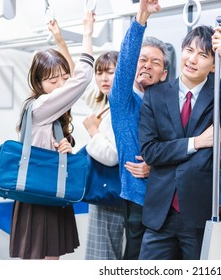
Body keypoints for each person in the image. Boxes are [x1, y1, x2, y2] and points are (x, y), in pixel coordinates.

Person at [138, 25, 221, 260]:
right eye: (189, 50)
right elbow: (150, 152)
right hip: (161, 215)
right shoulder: (155, 95)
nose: (192, 59)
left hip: (200, 213)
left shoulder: (218, 96)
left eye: (203, 55)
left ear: (213, 65)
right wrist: (196, 142)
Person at [9, 11, 95, 260]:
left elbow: (72, 79)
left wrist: (66, 144)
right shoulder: (41, 105)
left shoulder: (47, 107)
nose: (60, 86)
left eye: (63, 79)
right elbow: (81, 78)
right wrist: (87, 33)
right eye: (52, 81)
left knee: (49, 261)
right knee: (45, 262)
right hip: (41, 191)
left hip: (48, 186)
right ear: (38, 83)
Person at [109, 0, 168, 260]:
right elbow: (125, 63)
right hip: (137, 200)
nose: (147, 65)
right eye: (142, 60)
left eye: (155, 62)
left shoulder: (171, 107)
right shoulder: (123, 102)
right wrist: (141, 17)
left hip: (171, 201)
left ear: (164, 74)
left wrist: (154, 168)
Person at [80, 51, 125, 260]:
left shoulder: (119, 109)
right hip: (108, 192)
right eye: (99, 73)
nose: (103, 78)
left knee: (102, 255)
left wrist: (92, 131)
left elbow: (112, 155)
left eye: (110, 72)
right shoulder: (108, 103)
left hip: (110, 194)